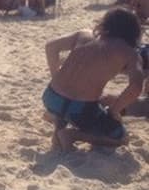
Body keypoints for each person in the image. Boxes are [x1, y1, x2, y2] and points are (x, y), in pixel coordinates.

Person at [43, 9, 146, 151]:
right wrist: (114, 110)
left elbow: (51, 47)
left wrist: (56, 78)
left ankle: (58, 124)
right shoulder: (130, 53)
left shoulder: (84, 34)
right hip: (79, 109)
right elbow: (136, 87)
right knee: (121, 138)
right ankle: (72, 135)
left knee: (68, 104)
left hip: (51, 97)